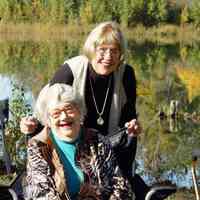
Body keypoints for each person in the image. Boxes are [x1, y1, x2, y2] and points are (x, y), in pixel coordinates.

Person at [21, 21, 169, 200]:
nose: (108, 56)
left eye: (114, 51)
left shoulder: (126, 74)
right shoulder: (70, 70)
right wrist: (31, 127)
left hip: (103, 146)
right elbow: (47, 110)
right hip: (68, 141)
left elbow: (129, 116)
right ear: (92, 49)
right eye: (103, 49)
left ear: (121, 54)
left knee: (120, 186)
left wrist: (133, 127)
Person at [25, 83, 134, 200]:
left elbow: (120, 185)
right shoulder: (38, 146)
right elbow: (42, 194)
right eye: (56, 113)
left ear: (79, 111)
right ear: (48, 120)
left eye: (69, 109)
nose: (64, 117)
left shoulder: (97, 140)